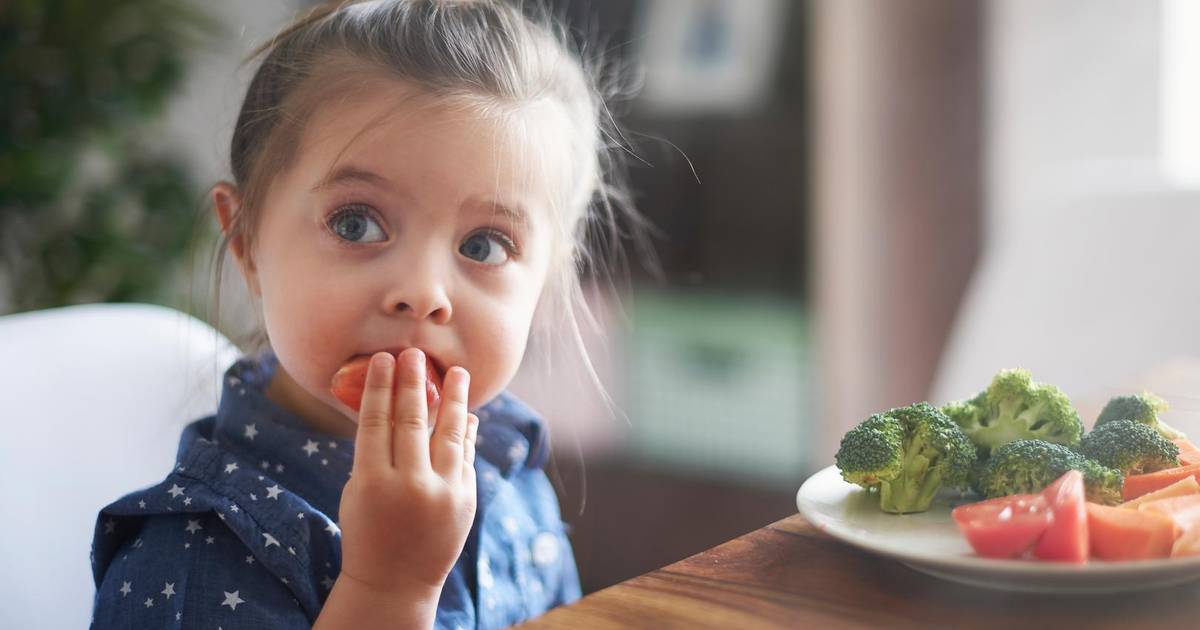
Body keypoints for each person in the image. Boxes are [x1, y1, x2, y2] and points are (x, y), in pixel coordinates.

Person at [88, 0, 644, 627]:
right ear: (246, 242)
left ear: (544, 283)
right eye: (356, 224)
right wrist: (387, 589)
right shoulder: (193, 560)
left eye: (484, 245)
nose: (423, 291)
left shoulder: (509, 465)